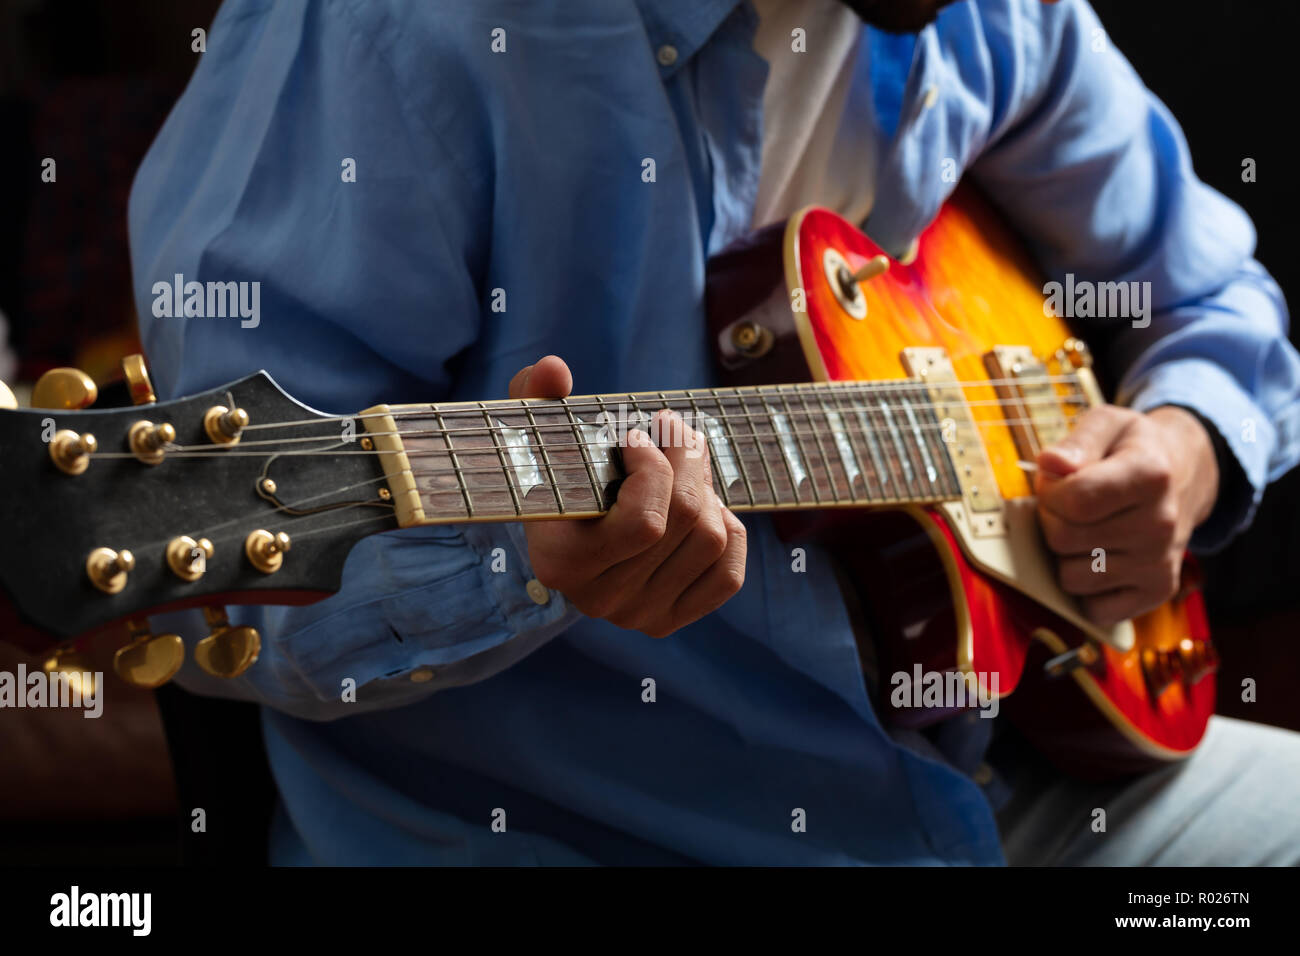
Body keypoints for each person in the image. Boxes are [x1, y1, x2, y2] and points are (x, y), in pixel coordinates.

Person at [129, 0, 1300, 864]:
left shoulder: (993, 19)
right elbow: (227, 588)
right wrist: (519, 562)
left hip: (985, 787)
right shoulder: (386, 36)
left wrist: (1186, 449)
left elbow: (1210, 296)